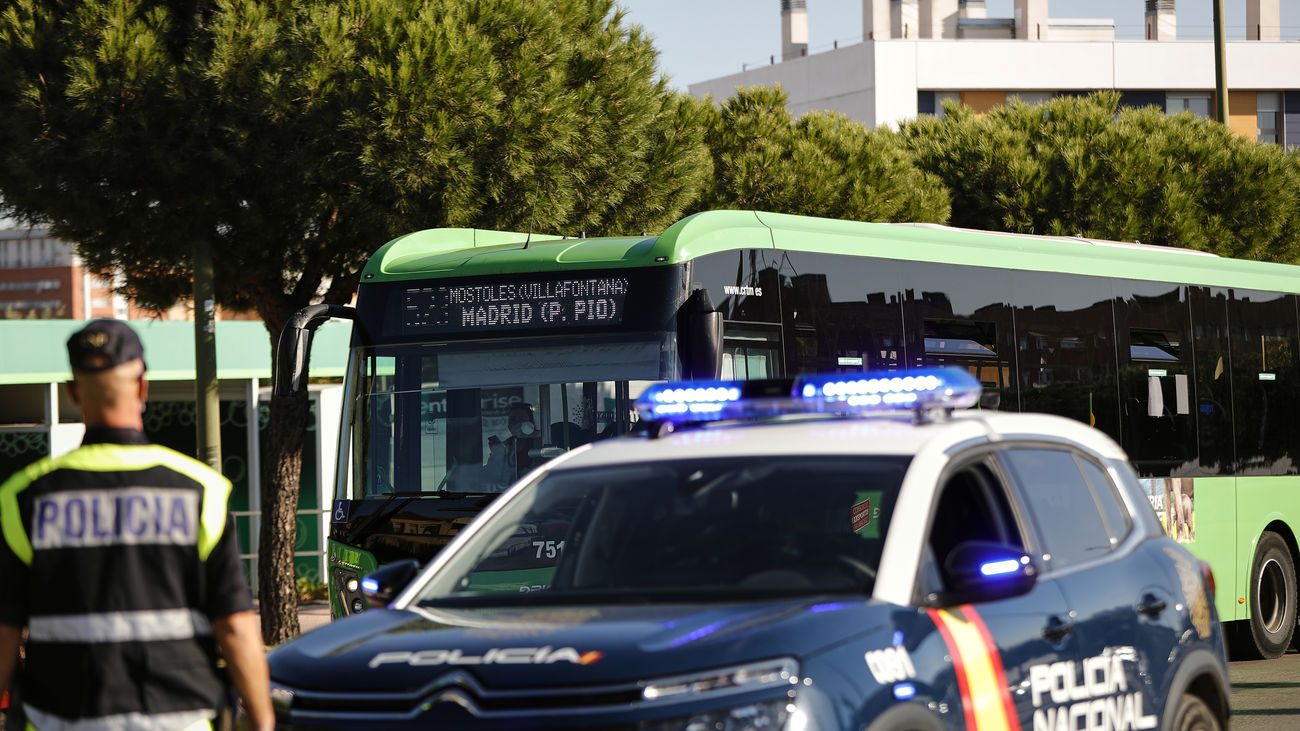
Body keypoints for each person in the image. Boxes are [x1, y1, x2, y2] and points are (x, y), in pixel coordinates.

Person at [0, 320, 273, 731]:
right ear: (143, 386)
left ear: (73, 392)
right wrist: (264, 720)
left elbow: (4, 630)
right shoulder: (202, 491)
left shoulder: (23, 497)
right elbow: (234, 624)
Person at [483, 403, 540, 489]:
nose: (517, 423)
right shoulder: (505, 444)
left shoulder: (539, 440)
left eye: (521, 419)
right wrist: (497, 456)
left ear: (530, 422)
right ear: (509, 426)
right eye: (513, 420)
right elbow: (489, 474)